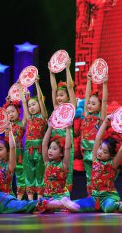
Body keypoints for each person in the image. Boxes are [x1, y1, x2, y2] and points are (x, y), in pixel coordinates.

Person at [73, 115, 122, 213]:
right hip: (94, 198)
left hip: (108, 197)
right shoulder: (94, 158)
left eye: (105, 152)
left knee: (109, 208)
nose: (100, 152)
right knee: (75, 206)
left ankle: (120, 204)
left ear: (111, 156)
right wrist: (105, 122)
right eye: (100, 148)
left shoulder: (112, 164)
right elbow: (98, 138)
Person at [49, 58, 77, 191]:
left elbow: (70, 87)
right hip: (55, 145)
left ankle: (66, 198)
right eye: (58, 96)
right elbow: (53, 89)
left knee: (67, 172)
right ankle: (54, 195)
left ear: (68, 97)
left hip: (66, 144)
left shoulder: (72, 106)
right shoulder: (56, 108)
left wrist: (67, 68)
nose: (58, 98)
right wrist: (51, 73)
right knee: (54, 172)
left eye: (62, 95)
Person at [19, 78, 48, 200]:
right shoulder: (29, 118)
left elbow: (40, 99)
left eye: (33, 104)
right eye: (30, 105)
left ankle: (40, 199)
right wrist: (21, 87)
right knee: (29, 173)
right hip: (28, 150)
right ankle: (31, 201)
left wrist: (36, 83)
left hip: (40, 150)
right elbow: (24, 103)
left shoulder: (43, 116)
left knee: (40, 174)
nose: (31, 107)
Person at [81, 72, 108, 194]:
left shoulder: (100, 117)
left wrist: (105, 83)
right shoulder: (86, 114)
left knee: (97, 175)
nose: (90, 105)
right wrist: (88, 81)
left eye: (93, 103)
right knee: (88, 176)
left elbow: (105, 100)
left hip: (96, 152)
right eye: (89, 103)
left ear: (99, 106)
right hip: (85, 151)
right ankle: (90, 197)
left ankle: (99, 196)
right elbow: (87, 96)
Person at [4, 99, 26, 200]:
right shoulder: (6, 126)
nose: (10, 114)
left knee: (20, 175)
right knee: (6, 174)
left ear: (18, 111)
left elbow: (26, 112)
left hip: (19, 152)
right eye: (8, 112)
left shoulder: (21, 124)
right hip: (8, 153)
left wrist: (25, 99)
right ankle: (7, 197)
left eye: (13, 111)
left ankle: (19, 199)